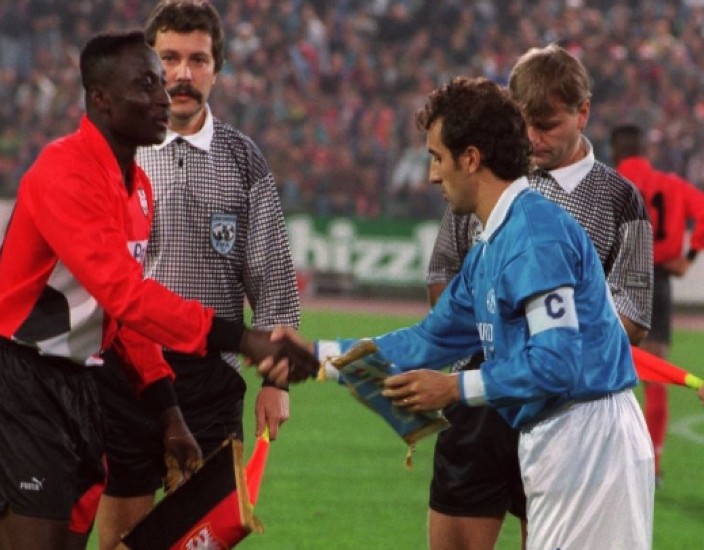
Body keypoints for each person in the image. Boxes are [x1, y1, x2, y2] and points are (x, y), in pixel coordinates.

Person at [0, 30, 316, 550]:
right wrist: (246, 340)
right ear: (101, 98)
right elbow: (125, 294)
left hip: (79, 389)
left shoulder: (136, 187)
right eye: (146, 84)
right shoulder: (66, 171)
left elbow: (121, 315)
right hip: (21, 387)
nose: (162, 98)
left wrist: (168, 411)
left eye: (160, 86)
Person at [262, 75, 655, 550]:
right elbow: (428, 341)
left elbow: (558, 363)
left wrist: (454, 387)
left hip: (590, 440)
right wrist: (319, 357)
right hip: (557, 436)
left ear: (470, 159)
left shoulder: (534, 235)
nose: (431, 175)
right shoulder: (492, 245)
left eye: (436, 157)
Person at [423, 44, 654, 550]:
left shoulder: (619, 198)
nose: (532, 138)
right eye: (523, 122)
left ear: (583, 113)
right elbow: (444, 269)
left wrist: (547, 341)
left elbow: (633, 311)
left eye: (546, 124)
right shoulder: (484, 176)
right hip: (479, 399)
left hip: (563, 407)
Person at [94, 3, 302, 548]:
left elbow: (273, 278)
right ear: (147, 65)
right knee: (122, 535)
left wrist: (275, 383)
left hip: (212, 380)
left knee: (202, 539)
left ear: (217, 68)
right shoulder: (119, 152)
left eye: (197, 60)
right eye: (169, 58)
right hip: (128, 374)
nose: (183, 74)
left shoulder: (244, 159)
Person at [610, 123, 704, 482]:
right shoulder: (670, 184)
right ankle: (654, 461)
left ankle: (613, 458)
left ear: (615, 152)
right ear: (644, 152)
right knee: (656, 373)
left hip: (615, 276)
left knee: (605, 368)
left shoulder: (607, 183)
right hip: (657, 279)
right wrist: (689, 256)